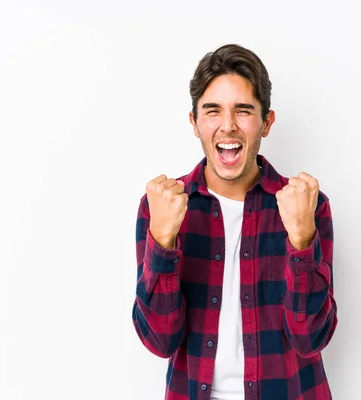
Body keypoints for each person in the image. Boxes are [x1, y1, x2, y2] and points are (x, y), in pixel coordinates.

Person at [132, 44, 337, 400]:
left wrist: (302, 238)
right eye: (213, 111)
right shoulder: (161, 207)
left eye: (243, 111)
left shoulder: (308, 206)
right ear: (195, 123)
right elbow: (160, 340)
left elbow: (311, 338)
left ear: (267, 122)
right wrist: (163, 240)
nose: (228, 126)